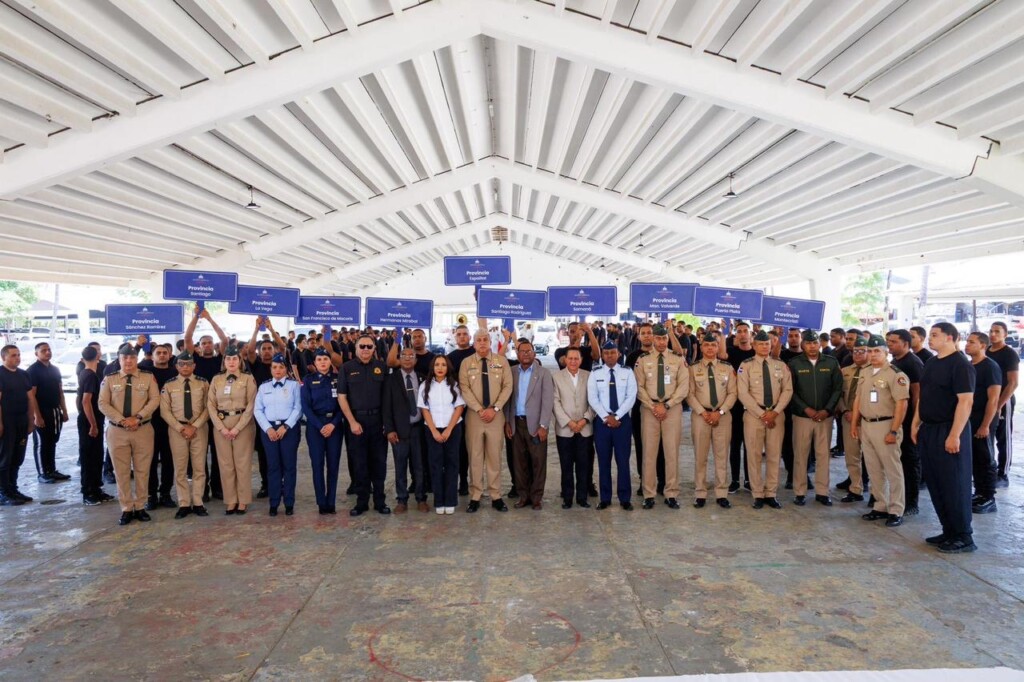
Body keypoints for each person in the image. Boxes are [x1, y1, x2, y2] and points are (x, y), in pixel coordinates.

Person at [912, 322, 976, 554]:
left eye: (935, 335)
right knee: (936, 482)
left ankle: (963, 535)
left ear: (951, 338)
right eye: (930, 335)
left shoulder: (960, 365)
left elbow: (965, 401)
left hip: (949, 429)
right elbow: (923, 396)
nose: (930, 338)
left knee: (954, 483)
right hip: (929, 429)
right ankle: (949, 530)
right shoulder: (931, 362)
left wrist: (955, 435)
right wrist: (915, 423)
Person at [98, 344, 160, 525]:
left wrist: (138, 418)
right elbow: (103, 403)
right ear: (119, 359)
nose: (128, 361)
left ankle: (140, 506)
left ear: (136, 359)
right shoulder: (109, 379)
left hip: (143, 430)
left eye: (132, 358)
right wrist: (123, 420)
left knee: (143, 470)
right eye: (125, 358)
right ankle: (126, 508)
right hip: (118, 431)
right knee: (121, 472)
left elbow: (155, 399)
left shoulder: (148, 377)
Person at [852, 335, 910, 527]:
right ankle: (880, 505)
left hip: (886, 425)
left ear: (886, 352)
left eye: (877, 351)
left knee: (892, 469)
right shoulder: (865, 371)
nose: (873, 354)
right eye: (870, 351)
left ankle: (896, 509)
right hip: (867, 425)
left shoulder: (896, 375)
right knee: (873, 468)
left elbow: (902, 405)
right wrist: (854, 424)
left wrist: (893, 431)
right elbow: (858, 399)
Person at [634, 323, 688, 510]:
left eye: (664, 338)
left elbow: (683, 386)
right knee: (649, 452)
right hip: (650, 410)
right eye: (658, 338)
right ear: (652, 340)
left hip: (671, 409)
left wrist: (666, 405)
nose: (661, 341)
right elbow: (638, 387)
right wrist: (653, 405)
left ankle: (671, 493)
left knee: (671, 452)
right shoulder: (643, 360)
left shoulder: (677, 360)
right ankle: (649, 494)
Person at [738, 330, 793, 510]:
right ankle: (757, 494)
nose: (764, 347)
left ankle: (771, 493)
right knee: (753, 455)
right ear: (754, 346)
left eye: (767, 344)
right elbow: (742, 393)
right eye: (761, 344)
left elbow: (787, 390)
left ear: (771, 346)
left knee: (774, 455)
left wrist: (775, 412)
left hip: (776, 415)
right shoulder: (745, 366)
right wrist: (762, 414)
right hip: (754, 416)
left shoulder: (780, 365)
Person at [459, 330, 513, 513]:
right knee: (474, 456)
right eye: (478, 340)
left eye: (485, 340)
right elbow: (464, 388)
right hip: (475, 416)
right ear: (474, 344)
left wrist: (495, 408)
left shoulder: (501, 361)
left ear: (491, 342)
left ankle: (496, 495)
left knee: (494, 457)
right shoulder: (467, 363)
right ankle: (475, 495)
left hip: (496, 417)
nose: (482, 343)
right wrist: (480, 409)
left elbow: (508, 386)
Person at [787, 330, 842, 506]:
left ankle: (822, 492)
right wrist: (806, 409)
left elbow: (837, 389)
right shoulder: (794, 363)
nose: (812, 346)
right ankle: (800, 491)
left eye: (815, 343)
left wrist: (827, 410)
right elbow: (790, 391)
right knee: (801, 454)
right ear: (803, 344)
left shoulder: (831, 362)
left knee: (823, 455)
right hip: (803, 417)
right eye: (808, 343)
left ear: (819, 344)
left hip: (825, 418)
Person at [338, 334, 391, 516]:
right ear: (356, 348)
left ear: (374, 349)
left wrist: (386, 423)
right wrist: (352, 422)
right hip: (356, 423)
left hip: (378, 423)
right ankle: (361, 502)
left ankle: (379, 501)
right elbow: (342, 397)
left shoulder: (381, 367)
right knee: (359, 465)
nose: (366, 350)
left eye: (369, 346)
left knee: (379, 464)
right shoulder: (346, 368)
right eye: (362, 346)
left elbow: (387, 398)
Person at [686, 332, 737, 509]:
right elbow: (689, 394)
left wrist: (720, 412)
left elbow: (733, 393)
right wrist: (703, 412)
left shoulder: (727, 368)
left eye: (713, 345)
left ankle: (721, 493)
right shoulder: (693, 369)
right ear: (701, 347)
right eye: (706, 345)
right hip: (701, 417)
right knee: (700, 456)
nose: (710, 348)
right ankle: (700, 493)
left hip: (722, 416)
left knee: (721, 456)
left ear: (717, 347)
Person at [184, 306, 229, 501]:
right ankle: (203, 489)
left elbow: (225, 340)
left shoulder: (222, 360)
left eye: (210, 342)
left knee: (219, 453)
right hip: (200, 413)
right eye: (204, 343)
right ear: (199, 347)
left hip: (219, 413)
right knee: (200, 453)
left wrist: (210, 319)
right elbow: (187, 338)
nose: (208, 345)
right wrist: (195, 317)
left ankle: (218, 487)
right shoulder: (195, 361)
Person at [206, 346, 257, 515]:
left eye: (235, 359)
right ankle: (230, 500)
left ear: (240, 361)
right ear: (224, 362)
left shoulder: (248, 379)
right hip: (222, 425)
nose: (232, 362)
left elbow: (251, 405)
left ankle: (243, 500)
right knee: (226, 464)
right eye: (228, 359)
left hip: (243, 424)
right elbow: (210, 405)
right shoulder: (217, 379)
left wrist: (237, 428)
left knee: (242, 464)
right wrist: (221, 428)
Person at [159, 351, 210, 519]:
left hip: (199, 429)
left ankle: (198, 502)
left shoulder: (203, 383)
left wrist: (194, 426)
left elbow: (208, 407)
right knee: (180, 468)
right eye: (182, 364)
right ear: (177, 366)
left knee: (199, 467)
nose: (185, 367)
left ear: (194, 366)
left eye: (188, 364)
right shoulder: (169, 385)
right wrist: (180, 428)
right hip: (177, 430)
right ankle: (184, 503)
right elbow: (164, 411)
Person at [504, 339, 554, 510]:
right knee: (519, 463)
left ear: (534, 353)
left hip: (536, 425)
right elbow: (508, 400)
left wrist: (544, 426)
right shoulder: (511, 372)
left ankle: (537, 497)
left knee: (538, 462)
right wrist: (507, 422)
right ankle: (523, 496)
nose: (526, 354)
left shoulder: (544, 373)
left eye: (529, 351)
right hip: (516, 424)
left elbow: (547, 402)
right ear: (517, 355)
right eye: (522, 351)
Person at [588, 342, 637, 510]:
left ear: (618, 354)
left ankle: (625, 498)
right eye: (606, 352)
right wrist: (606, 417)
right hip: (602, 423)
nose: (609, 355)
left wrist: (616, 416)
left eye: (613, 352)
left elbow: (631, 396)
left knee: (623, 461)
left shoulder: (627, 372)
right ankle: (605, 498)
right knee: (604, 462)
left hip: (622, 422)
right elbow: (592, 398)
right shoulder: (595, 373)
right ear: (602, 354)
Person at [253, 354, 302, 517]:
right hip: (269, 431)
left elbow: (298, 408)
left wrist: (286, 426)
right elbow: (258, 410)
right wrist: (268, 429)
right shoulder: (264, 387)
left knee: (289, 467)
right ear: (271, 369)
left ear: (286, 370)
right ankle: (274, 503)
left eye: (281, 367)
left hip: (289, 430)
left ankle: (289, 503)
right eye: (274, 367)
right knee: (273, 467)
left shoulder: (294, 386)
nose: (278, 370)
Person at [418, 355, 465, 515]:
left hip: (452, 429)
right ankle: (439, 501)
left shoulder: (455, 385)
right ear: (433, 367)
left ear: (448, 367)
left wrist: (448, 430)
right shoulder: (425, 386)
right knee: (436, 465)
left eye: (443, 365)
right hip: (432, 430)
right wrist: (434, 431)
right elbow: (424, 409)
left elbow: (459, 408)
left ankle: (451, 500)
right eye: (437, 364)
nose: (440, 368)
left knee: (452, 464)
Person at [383, 348, 428, 513]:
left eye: (411, 356)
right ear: (399, 360)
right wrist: (389, 430)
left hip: (419, 430)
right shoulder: (391, 379)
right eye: (404, 356)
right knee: (400, 466)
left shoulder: (423, 377)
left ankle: (421, 498)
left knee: (419, 466)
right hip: (399, 431)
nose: (408, 359)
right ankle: (402, 500)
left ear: (416, 360)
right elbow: (386, 407)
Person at [301, 348, 344, 515]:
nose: (323, 362)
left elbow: (343, 404)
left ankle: (331, 501)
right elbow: (306, 406)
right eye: (319, 360)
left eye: (325, 359)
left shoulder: (338, 379)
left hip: (334, 425)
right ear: (315, 363)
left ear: (330, 361)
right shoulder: (309, 380)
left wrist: (333, 424)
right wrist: (320, 426)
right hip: (315, 427)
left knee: (333, 465)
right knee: (317, 465)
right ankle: (321, 502)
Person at [886, 329, 924, 515]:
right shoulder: (895, 362)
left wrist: (915, 421)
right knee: (899, 461)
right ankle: (899, 499)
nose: (889, 344)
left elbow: (918, 394)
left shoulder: (913, 363)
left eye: (893, 341)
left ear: (905, 344)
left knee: (910, 462)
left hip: (909, 420)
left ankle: (912, 502)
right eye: (888, 341)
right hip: (897, 418)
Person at [625, 322, 666, 497]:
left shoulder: (665, 355)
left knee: (663, 447)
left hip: (663, 408)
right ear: (639, 336)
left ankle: (662, 481)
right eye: (644, 333)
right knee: (643, 446)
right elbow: (630, 383)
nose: (648, 336)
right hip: (640, 407)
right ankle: (645, 481)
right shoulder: (633, 356)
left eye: (651, 333)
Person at [552, 347, 595, 509]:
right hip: (565, 429)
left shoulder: (589, 376)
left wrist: (584, 420)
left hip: (585, 428)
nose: (573, 361)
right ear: (565, 360)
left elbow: (594, 401)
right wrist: (569, 422)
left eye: (576, 358)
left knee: (584, 465)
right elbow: (555, 403)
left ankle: (582, 497)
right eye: (570, 358)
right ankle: (568, 497)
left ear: (581, 360)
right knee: (566, 465)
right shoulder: (556, 377)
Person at [965, 332, 1001, 514]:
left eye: (972, 342)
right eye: (967, 341)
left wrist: (985, 425)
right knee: (974, 458)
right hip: (968, 419)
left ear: (982, 345)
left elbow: (993, 400)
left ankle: (989, 497)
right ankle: (979, 492)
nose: (967, 344)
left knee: (985, 458)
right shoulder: (968, 365)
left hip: (983, 419)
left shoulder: (990, 367)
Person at [139, 342, 178, 510]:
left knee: (169, 460)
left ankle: (166, 493)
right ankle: (151, 495)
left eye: (165, 352)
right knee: (150, 461)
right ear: (152, 356)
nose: (162, 355)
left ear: (170, 355)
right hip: (150, 424)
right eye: (158, 353)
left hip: (171, 424)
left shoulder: (176, 373)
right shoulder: (145, 374)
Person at [0, 345, 39, 505]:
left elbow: (30, 398)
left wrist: (31, 420)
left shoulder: (24, 375)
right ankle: (4, 493)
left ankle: (13, 489)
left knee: (18, 457)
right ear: (4, 358)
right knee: (5, 458)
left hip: (22, 421)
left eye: (19, 355)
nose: (17, 358)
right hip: (7, 422)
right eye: (14, 355)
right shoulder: (1, 374)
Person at [720, 321, 755, 493]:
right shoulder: (732, 352)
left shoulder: (757, 353)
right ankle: (734, 480)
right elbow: (721, 354)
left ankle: (749, 479)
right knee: (735, 444)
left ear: (750, 334)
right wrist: (724, 332)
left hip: (754, 406)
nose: (742, 334)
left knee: (751, 445)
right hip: (735, 406)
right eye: (739, 331)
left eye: (745, 331)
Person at [28, 341, 70, 484]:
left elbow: (60, 391)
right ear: (36, 354)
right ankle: (42, 473)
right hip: (42, 411)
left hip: (55, 410)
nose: (47, 352)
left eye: (49, 349)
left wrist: (64, 410)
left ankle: (51, 470)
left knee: (52, 441)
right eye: (43, 350)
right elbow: (31, 395)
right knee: (42, 443)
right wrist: (37, 416)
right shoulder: (33, 370)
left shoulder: (55, 369)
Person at [835, 337, 870, 502]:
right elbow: (839, 394)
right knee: (852, 456)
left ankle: (877, 495)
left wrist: (860, 413)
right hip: (848, 419)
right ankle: (856, 489)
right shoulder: (846, 371)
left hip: (868, 421)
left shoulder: (875, 372)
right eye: (855, 351)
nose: (857, 354)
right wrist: (845, 410)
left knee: (872, 458)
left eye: (861, 351)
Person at [77, 346, 112, 506]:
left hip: (95, 420)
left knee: (97, 456)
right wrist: (92, 424)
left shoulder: (86, 372)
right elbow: (86, 401)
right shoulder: (89, 375)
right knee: (88, 457)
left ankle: (96, 489)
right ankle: (88, 492)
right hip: (88, 422)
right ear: (98, 355)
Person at [987, 321, 1018, 488]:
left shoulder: (1009, 354)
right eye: (991, 331)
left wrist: (999, 405)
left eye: (997, 331)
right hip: (987, 399)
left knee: (1003, 437)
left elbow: (1013, 383)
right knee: (987, 436)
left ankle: (1003, 474)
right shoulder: (986, 351)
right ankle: (989, 471)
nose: (993, 334)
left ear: (1005, 334)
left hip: (1003, 400)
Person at [447, 324, 477, 496]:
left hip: (476, 407)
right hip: (457, 408)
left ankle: (475, 482)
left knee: (474, 447)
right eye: (459, 334)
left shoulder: (477, 354)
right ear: (455, 337)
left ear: (469, 336)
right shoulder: (450, 358)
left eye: (465, 334)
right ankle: (463, 480)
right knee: (459, 448)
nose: (462, 337)